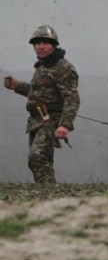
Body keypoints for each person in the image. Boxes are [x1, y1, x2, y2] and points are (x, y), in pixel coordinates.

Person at [3, 25, 80, 184]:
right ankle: (48, 195)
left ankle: (49, 195)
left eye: (45, 42)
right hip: (36, 121)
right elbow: (39, 93)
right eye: (37, 43)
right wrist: (17, 86)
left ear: (54, 45)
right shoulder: (43, 65)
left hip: (50, 120)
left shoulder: (63, 68)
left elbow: (71, 98)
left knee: (36, 157)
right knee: (41, 160)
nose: (41, 46)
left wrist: (65, 125)